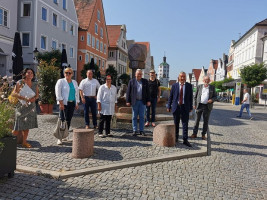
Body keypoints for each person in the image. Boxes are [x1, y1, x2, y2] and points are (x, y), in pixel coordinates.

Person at [12, 68, 39, 148]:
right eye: (28, 73)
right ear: (25, 74)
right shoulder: (20, 82)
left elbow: (37, 95)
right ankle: (9, 142)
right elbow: (14, 94)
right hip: (21, 106)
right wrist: (24, 98)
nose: (30, 74)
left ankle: (24, 142)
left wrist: (34, 98)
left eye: (31, 73)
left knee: (27, 126)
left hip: (31, 107)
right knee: (17, 126)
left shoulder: (35, 84)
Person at [167, 71, 193, 147]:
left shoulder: (189, 86)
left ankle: (185, 140)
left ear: (185, 78)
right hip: (176, 107)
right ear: (178, 77)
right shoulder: (174, 86)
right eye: (181, 76)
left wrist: (191, 107)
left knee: (185, 124)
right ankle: (176, 138)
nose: (182, 78)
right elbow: (170, 97)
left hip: (185, 107)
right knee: (176, 124)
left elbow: (190, 98)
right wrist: (169, 106)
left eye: (184, 76)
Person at [55, 67, 79, 145]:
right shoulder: (61, 81)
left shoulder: (74, 82)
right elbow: (58, 92)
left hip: (72, 103)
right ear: (64, 73)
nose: (67, 74)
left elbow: (76, 93)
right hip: (64, 103)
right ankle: (59, 138)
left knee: (68, 120)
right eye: (66, 73)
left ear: (72, 74)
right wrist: (61, 103)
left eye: (69, 73)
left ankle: (65, 135)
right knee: (62, 120)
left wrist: (77, 103)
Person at [190, 76, 216, 140]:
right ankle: (194, 133)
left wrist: (212, 100)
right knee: (197, 120)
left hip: (207, 106)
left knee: (206, 121)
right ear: (203, 80)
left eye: (207, 80)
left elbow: (215, 96)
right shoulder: (199, 86)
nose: (206, 81)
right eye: (205, 80)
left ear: (209, 80)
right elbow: (195, 96)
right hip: (199, 105)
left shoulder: (212, 87)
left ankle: (203, 134)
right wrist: (194, 104)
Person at [126, 69, 151, 136]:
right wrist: (128, 101)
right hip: (135, 101)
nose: (139, 75)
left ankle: (141, 130)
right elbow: (128, 92)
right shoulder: (132, 81)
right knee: (134, 116)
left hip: (142, 102)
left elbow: (148, 92)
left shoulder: (145, 81)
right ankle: (134, 130)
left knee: (142, 116)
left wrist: (148, 100)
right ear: (135, 74)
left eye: (140, 74)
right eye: (138, 74)